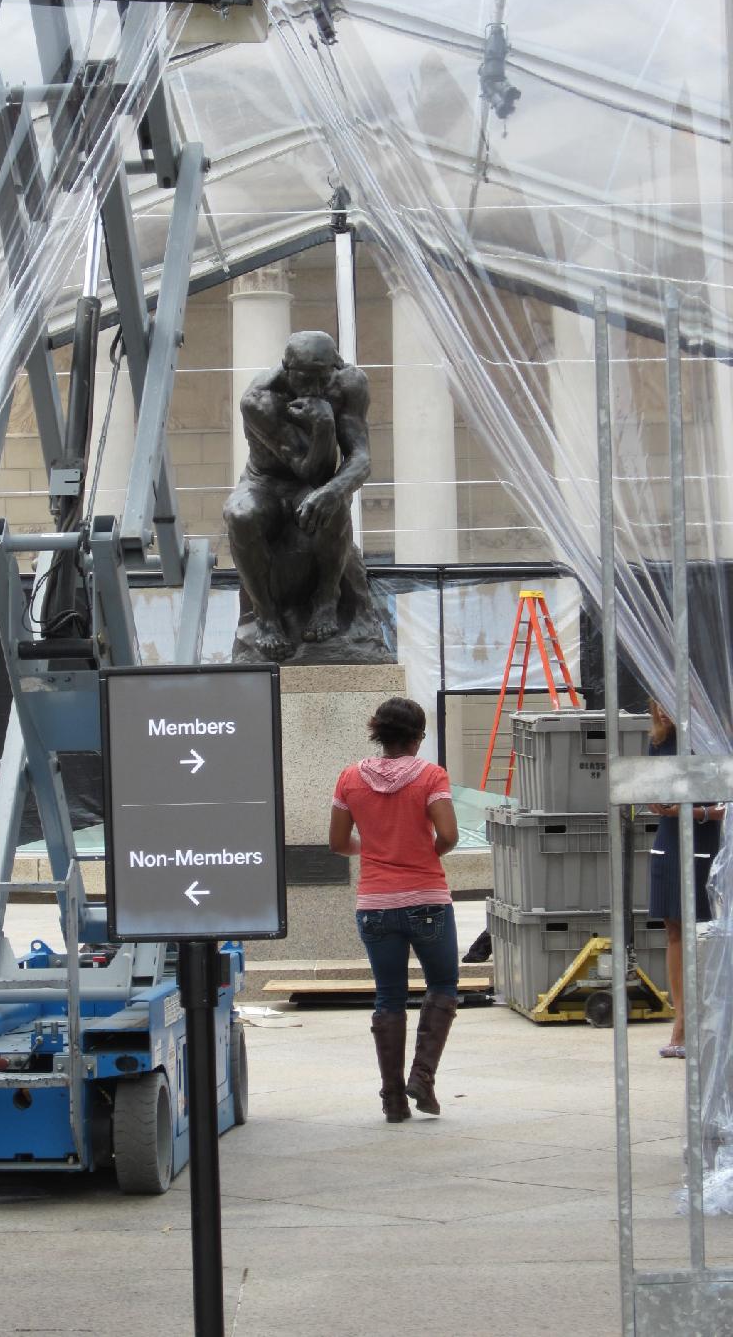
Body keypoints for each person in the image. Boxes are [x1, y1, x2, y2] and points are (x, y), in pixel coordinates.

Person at [329, 697, 460, 1123]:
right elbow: (450, 834)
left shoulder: (350, 778)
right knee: (442, 983)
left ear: (378, 734)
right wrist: (424, 853)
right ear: (418, 737)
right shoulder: (430, 775)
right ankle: (422, 1077)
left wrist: (373, 850)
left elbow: (336, 843)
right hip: (427, 898)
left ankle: (392, 1100)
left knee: (389, 996)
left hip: (375, 903)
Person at [223, 330, 371, 661]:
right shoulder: (260, 399)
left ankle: (326, 600)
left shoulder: (350, 383)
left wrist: (335, 489)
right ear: (287, 368)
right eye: (305, 379)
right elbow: (307, 469)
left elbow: (361, 457)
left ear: (337, 365)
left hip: (312, 482)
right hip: (266, 482)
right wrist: (323, 427)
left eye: (322, 378)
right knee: (240, 514)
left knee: (331, 502)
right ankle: (266, 616)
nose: (315, 389)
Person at [647, 698, 723, 1059]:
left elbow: (725, 803)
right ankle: (681, 1019)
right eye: (656, 703)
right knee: (673, 926)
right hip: (669, 837)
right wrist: (656, 802)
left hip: (707, 839)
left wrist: (698, 812)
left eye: (668, 701)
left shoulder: (713, 738)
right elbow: (649, 786)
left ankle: (705, 1019)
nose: (662, 710)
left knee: (706, 927)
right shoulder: (661, 742)